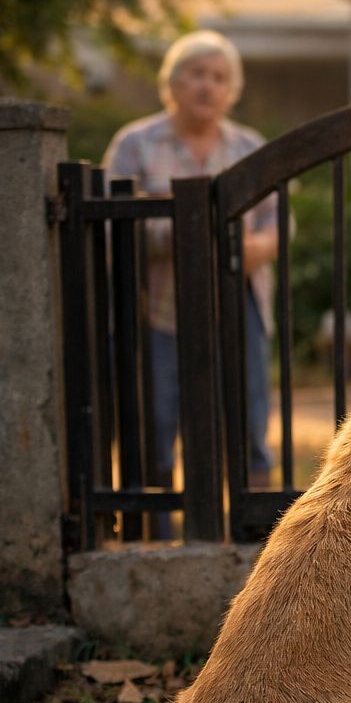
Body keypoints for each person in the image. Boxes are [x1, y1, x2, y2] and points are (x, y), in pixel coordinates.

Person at [103, 29, 278, 504]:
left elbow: (279, 225)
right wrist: (189, 234)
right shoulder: (135, 144)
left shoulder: (249, 147)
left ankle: (255, 534)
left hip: (238, 307)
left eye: (219, 78)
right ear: (172, 84)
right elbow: (110, 227)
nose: (207, 86)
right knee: (155, 427)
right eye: (196, 74)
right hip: (156, 309)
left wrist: (246, 246)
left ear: (231, 91)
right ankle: (157, 529)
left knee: (250, 423)